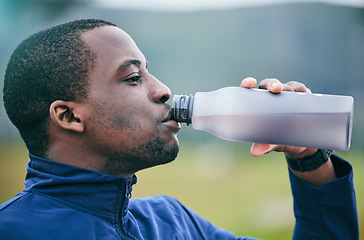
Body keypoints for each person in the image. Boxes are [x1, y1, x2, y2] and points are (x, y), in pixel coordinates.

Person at [0, 19, 358, 240]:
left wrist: (310, 158)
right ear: (69, 117)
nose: (163, 90)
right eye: (134, 78)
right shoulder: (13, 231)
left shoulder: (173, 223)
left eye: (149, 72)